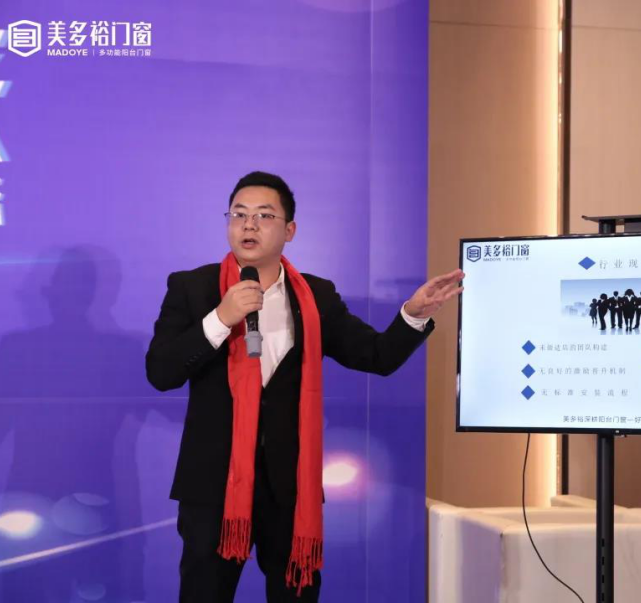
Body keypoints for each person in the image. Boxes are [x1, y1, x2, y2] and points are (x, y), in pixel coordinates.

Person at [145, 172, 463, 603]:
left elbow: (378, 356)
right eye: (238, 214)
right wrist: (220, 318)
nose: (249, 225)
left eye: (264, 215)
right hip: (215, 488)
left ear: (289, 230)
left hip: (290, 489)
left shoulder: (316, 296)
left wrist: (413, 314)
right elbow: (161, 372)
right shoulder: (192, 288)